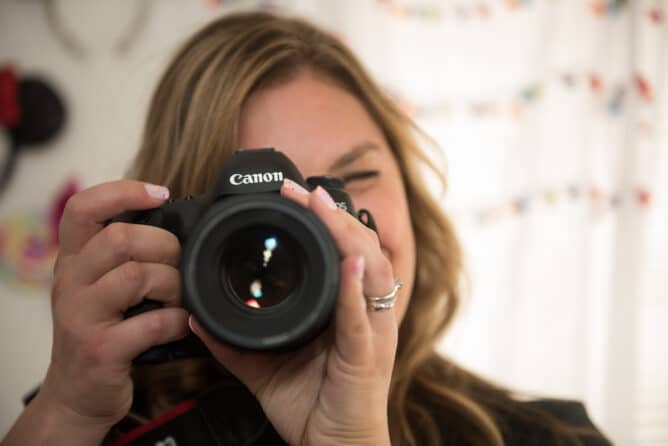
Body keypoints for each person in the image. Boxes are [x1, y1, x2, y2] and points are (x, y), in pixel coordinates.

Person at [2, 11, 611, 446]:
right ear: (180, 244)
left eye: (352, 178)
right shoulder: (98, 425)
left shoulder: (554, 438)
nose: (325, 228)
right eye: (272, 207)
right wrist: (68, 413)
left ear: (411, 196)